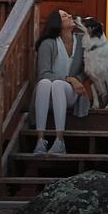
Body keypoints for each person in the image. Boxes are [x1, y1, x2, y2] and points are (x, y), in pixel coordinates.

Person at [32, 10, 89, 156]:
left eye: (69, 14)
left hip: (70, 92)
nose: (70, 16)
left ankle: (59, 141)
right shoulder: (48, 43)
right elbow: (44, 73)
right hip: (48, 96)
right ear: (57, 23)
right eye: (64, 16)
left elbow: (86, 70)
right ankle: (40, 141)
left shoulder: (82, 40)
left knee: (57, 85)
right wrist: (70, 79)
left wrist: (77, 81)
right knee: (45, 83)